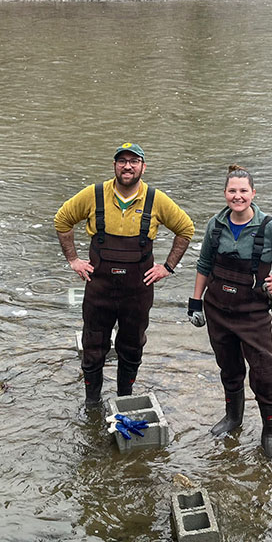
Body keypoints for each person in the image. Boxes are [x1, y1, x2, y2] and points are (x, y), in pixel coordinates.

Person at [189, 165, 272, 458]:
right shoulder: (215, 225)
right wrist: (196, 302)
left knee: (264, 375)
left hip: (253, 314)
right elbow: (204, 265)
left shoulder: (269, 228)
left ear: (253, 193)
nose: (237, 196)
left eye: (243, 191)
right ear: (225, 194)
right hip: (217, 310)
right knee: (229, 369)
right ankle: (234, 418)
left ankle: (268, 431)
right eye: (232, 191)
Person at [55, 143, 195, 404]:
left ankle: (124, 398)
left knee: (132, 347)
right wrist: (73, 260)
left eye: (134, 161)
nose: (127, 166)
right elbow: (62, 220)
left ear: (143, 166)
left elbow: (185, 229)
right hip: (99, 288)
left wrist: (167, 267)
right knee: (93, 345)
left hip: (137, 290)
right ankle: (92, 402)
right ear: (114, 166)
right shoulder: (94, 194)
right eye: (122, 161)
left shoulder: (155, 199)